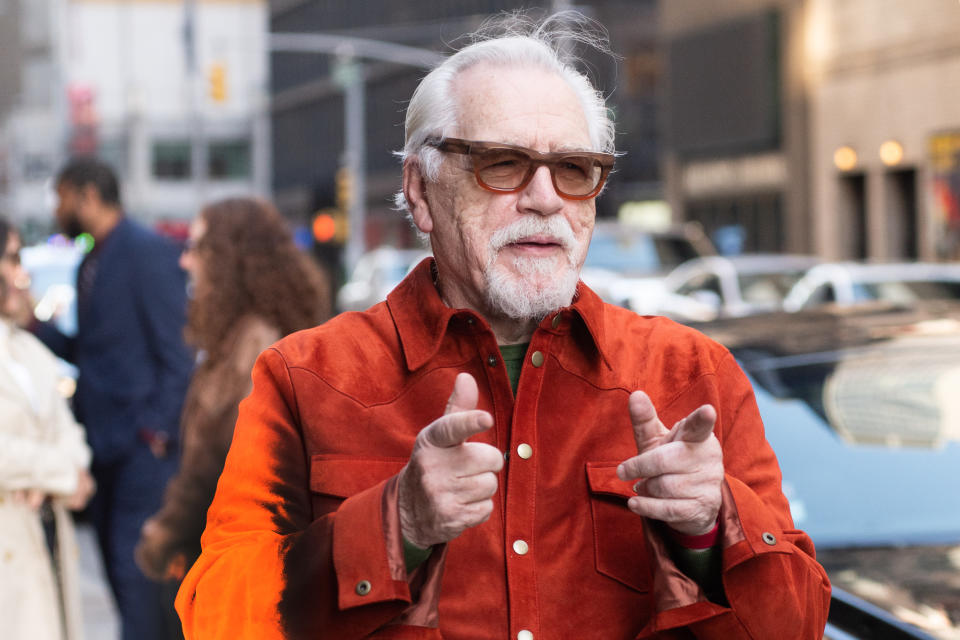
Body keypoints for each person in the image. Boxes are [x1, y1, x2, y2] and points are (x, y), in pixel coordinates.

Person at [177, 12, 831, 639]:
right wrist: (396, 522)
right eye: (502, 163)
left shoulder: (691, 376)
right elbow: (215, 618)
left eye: (574, 170)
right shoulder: (306, 379)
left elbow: (796, 627)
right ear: (422, 191)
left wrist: (710, 528)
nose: (545, 198)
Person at [33, 158, 194, 640]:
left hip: (142, 459)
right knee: (123, 586)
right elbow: (90, 352)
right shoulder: (91, 260)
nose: (57, 208)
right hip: (103, 455)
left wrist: (156, 432)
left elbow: (177, 352)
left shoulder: (146, 252)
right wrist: (28, 327)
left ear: (87, 195)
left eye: (61, 197)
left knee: (140, 592)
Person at [135, 197, 331, 585]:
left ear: (229, 257)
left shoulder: (252, 345)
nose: (185, 262)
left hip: (238, 564)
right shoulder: (249, 335)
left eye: (196, 248)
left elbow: (217, 462)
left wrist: (164, 534)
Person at [0, 217, 96, 640]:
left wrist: (64, 473)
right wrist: (59, 475)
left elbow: (71, 432)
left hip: (44, 538)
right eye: (12, 258)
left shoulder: (30, 350)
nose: (22, 275)